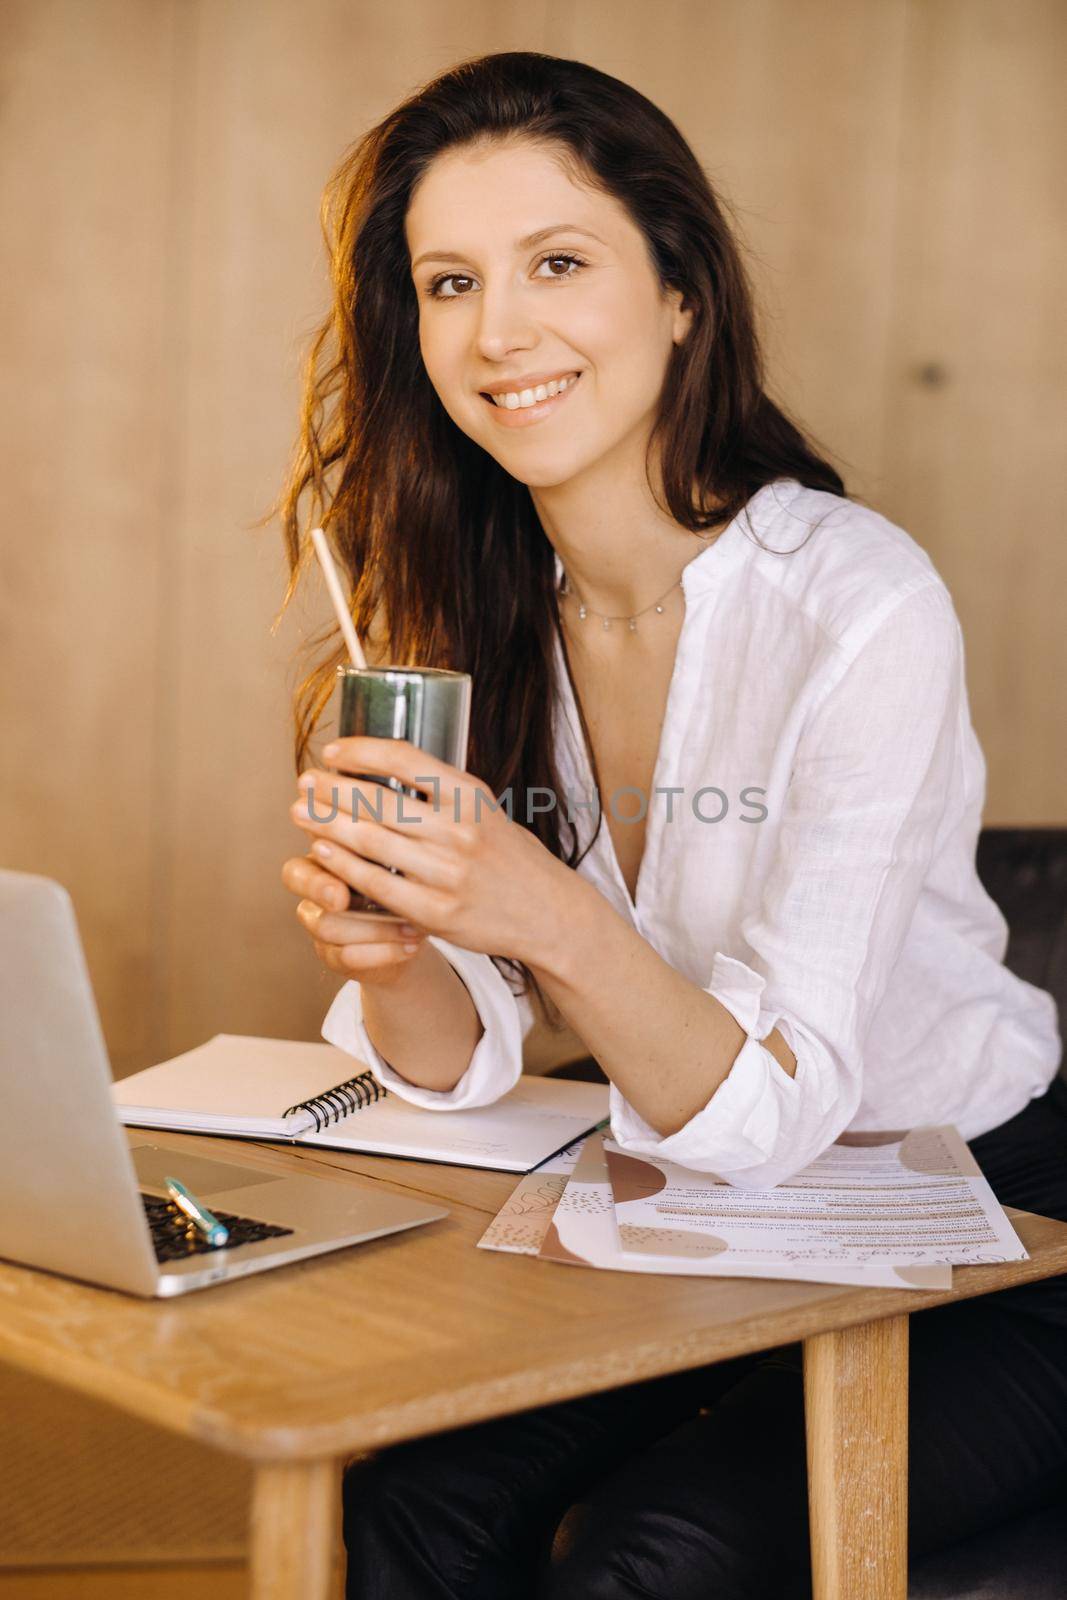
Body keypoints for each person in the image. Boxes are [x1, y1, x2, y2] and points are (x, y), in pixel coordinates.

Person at [274, 49, 1067, 1600]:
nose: (499, 332)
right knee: (408, 1518)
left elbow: (781, 1109)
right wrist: (391, 954)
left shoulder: (860, 603)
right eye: (449, 283)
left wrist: (540, 908)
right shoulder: (470, 614)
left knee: (651, 1562)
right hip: (690, 1220)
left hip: (983, 1229)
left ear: (683, 293)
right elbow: (466, 1058)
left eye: (557, 263)